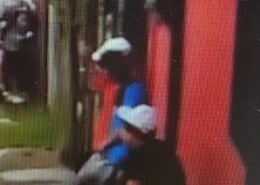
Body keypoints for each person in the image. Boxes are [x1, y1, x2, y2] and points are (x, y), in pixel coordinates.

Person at [75, 37, 149, 185]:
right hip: (111, 156)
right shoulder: (121, 89)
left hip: (120, 161)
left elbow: (129, 129)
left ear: (120, 63)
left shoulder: (134, 90)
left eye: (108, 65)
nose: (106, 71)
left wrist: (105, 145)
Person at [0, 0, 36, 103]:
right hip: (8, 40)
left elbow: (33, 13)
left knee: (21, 69)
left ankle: (20, 95)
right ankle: (5, 93)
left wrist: (27, 6)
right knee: (7, 68)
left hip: (23, 41)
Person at [115, 105, 186, 185]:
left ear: (137, 132)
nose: (122, 132)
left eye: (127, 128)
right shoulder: (166, 150)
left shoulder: (137, 157)